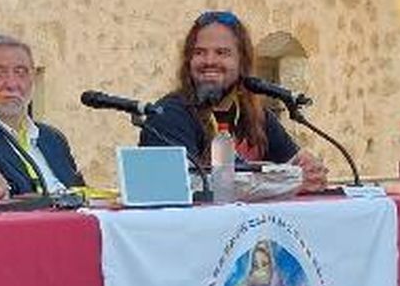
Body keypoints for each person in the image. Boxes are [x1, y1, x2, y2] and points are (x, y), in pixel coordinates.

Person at [139, 10, 327, 192]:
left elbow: (295, 164)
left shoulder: (257, 116)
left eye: (222, 53)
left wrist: (309, 171)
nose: (209, 60)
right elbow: (188, 185)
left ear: (242, 63)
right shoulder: (168, 114)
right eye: (199, 52)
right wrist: (288, 182)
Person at [0, 33, 83, 196]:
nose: (11, 84)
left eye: (21, 73)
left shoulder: (53, 139)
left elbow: (80, 194)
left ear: (33, 79)